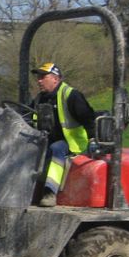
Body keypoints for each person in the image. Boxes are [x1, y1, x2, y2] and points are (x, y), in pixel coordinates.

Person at [30, 62, 96, 207]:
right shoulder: (40, 99)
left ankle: (50, 192)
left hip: (74, 143)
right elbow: (28, 117)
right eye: (38, 77)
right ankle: (29, 190)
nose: (39, 80)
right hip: (47, 141)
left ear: (55, 78)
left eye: (43, 77)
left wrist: (93, 139)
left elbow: (88, 119)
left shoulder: (71, 95)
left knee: (57, 148)